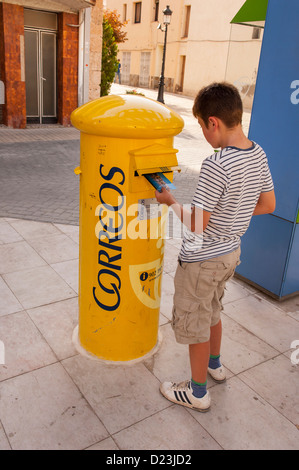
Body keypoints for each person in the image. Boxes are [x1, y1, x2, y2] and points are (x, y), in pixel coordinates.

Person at [155, 82, 276, 412]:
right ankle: (215, 365)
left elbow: (197, 223)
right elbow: (268, 204)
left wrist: (169, 201)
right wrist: (233, 210)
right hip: (230, 254)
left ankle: (196, 392)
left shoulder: (217, 164)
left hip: (202, 260)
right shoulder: (258, 153)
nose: (204, 133)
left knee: (195, 322)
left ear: (213, 122)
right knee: (212, 312)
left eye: (200, 125)